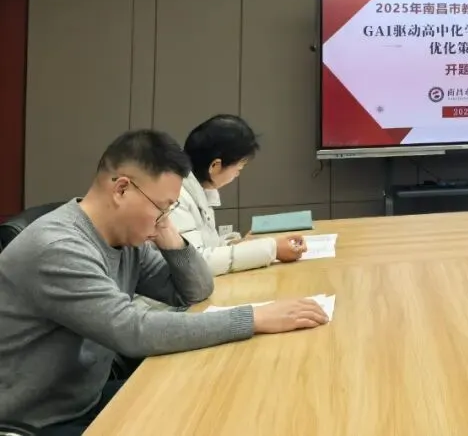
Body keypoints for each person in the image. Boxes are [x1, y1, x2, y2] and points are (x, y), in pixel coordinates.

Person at [0, 129, 329, 435]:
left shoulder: (125, 239)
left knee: (214, 402)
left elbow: (195, 290)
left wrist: (169, 234)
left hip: (84, 400)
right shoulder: (58, 248)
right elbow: (133, 330)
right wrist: (254, 318)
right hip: (36, 422)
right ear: (122, 189)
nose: (163, 219)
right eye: (161, 207)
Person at [175, 114, 306, 274]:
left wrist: (245, 245)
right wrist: (272, 249)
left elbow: (208, 247)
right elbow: (199, 262)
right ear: (215, 166)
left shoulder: (196, 190)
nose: (238, 174)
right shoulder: (175, 197)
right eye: (239, 167)